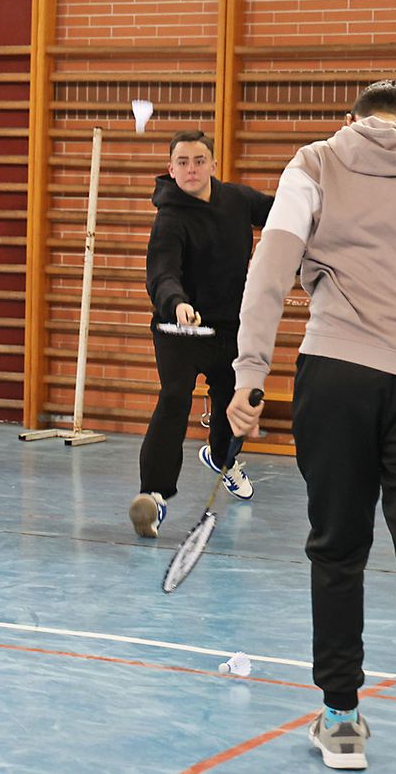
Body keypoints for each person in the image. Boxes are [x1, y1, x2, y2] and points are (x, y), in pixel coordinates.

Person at [227, 81, 396, 774]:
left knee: (337, 549)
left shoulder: (316, 159)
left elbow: (271, 267)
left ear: (352, 119)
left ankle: (343, 722)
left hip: (338, 374)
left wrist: (249, 372)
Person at [129, 130, 272, 538]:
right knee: (174, 398)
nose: (191, 169)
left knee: (234, 400)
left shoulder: (238, 201)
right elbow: (161, 273)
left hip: (230, 327)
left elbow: (285, 216)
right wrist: (177, 302)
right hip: (180, 328)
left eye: (198, 160)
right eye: (183, 162)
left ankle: (224, 459)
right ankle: (152, 497)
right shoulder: (170, 218)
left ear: (213, 165)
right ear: (171, 169)